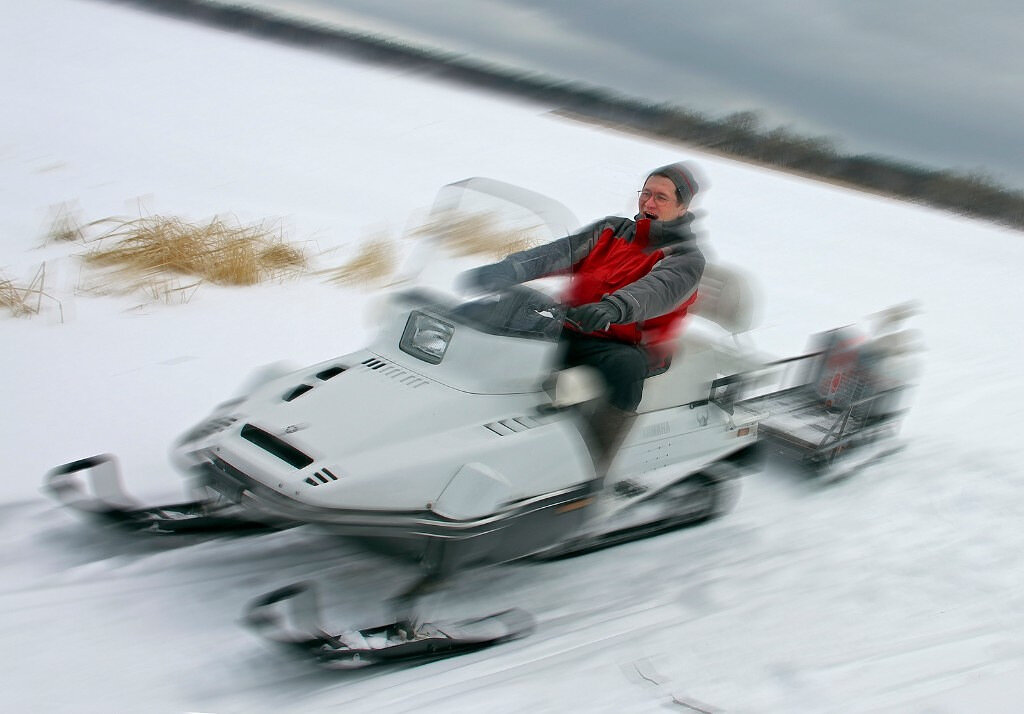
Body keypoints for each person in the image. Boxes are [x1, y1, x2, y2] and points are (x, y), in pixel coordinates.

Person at [461, 163, 707, 480]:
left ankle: (591, 471)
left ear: (683, 207)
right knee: (506, 309)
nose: (648, 204)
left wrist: (614, 308)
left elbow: (655, 291)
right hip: (575, 323)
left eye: (661, 197)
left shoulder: (686, 259)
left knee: (625, 367)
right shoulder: (612, 230)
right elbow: (559, 253)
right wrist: (509, 269)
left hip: (625, 343)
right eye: (645, 193)